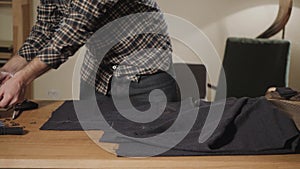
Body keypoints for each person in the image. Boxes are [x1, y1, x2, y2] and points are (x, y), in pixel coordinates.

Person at [0, 0, 179, 108]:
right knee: (89, 146)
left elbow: (75, 29)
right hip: (97, 74)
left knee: (147, 153)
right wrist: (7, 72)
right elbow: (44, 30)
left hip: (144, 74)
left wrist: (21, 79)